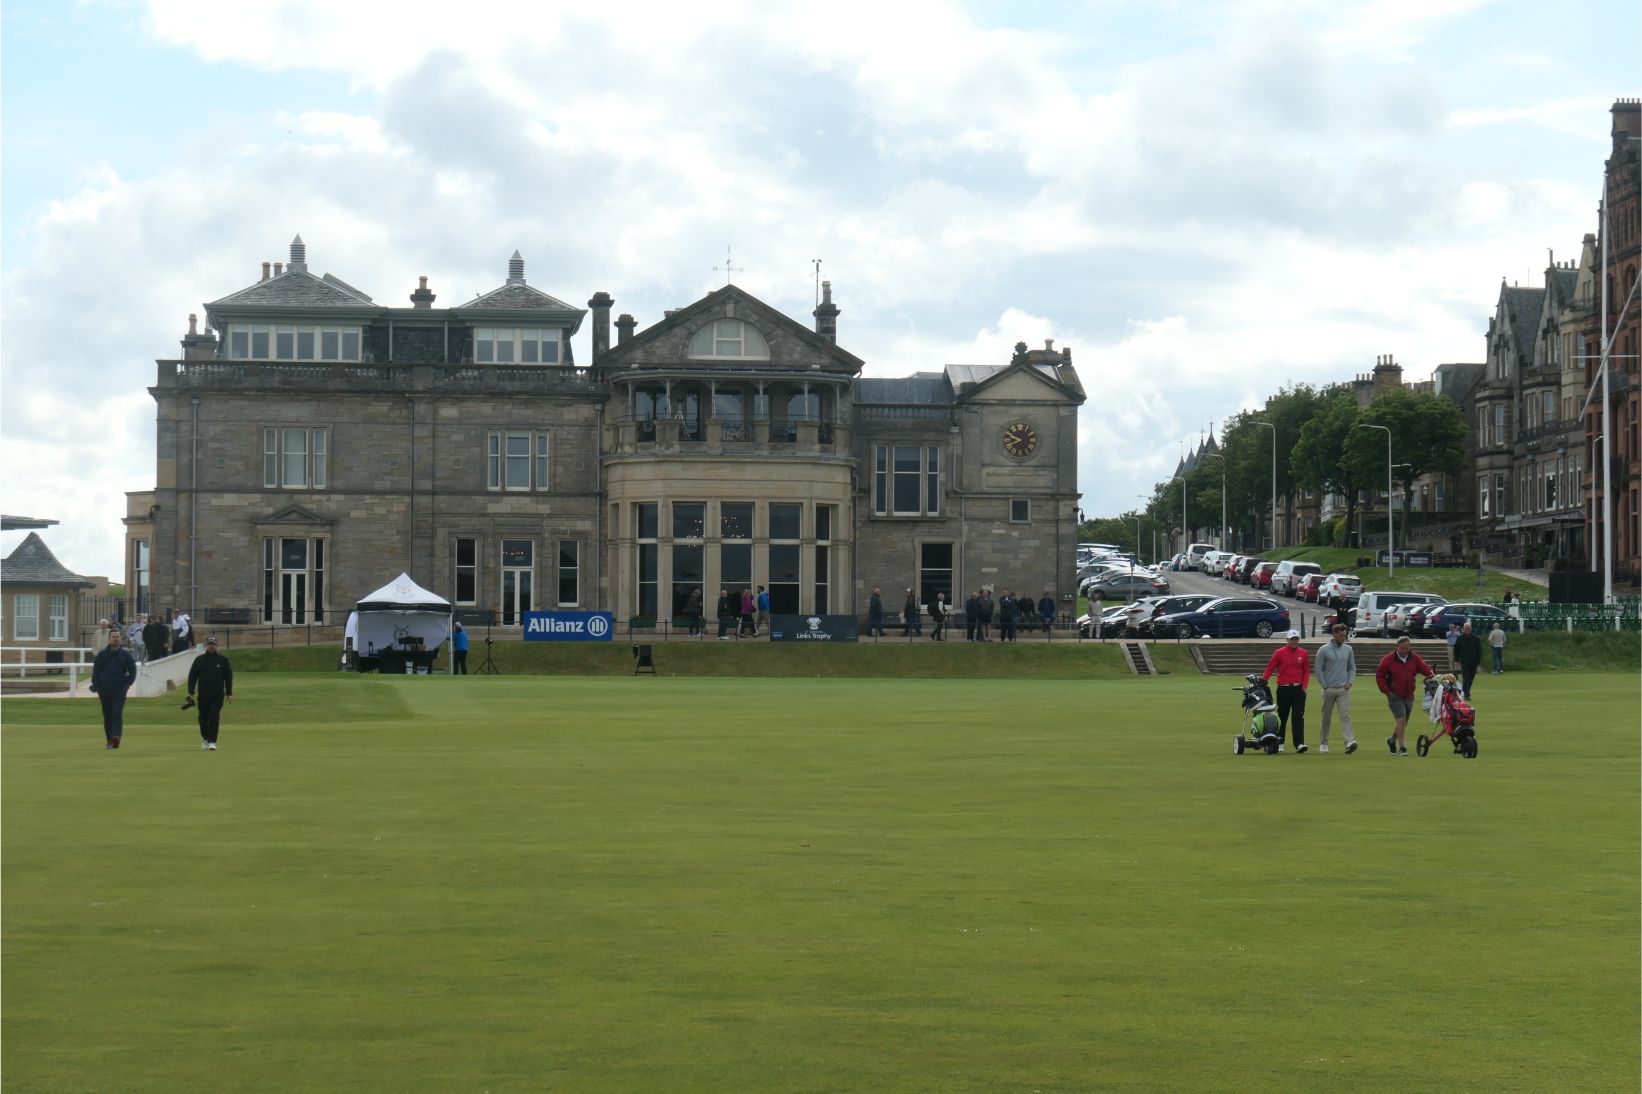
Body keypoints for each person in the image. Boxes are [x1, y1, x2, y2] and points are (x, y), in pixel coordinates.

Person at [1376, 635, 1435, 756]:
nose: (1404, 651)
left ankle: (1392, 740)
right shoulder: (1388, 659)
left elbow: (1424, 668)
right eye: (1402, 648)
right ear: (1397, 646)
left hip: (1409, 695)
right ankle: (1402, 747)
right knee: (1401, 719)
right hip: (1394, 695)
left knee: (1403, 722)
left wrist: (1433, 676)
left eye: (1407, 648)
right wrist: (1387, 691)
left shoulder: (1414, 657)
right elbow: (1380, 676)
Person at [1260, 628, 1312, 753]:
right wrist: (1264, 679)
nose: (1294, 641)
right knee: (1282, 716)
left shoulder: (1303, 653)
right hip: (1283, 689)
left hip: (1298, 689)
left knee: (1298, 716)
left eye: (1296, 639)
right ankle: (1280, 741)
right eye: (1292, 639)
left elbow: (1306, 671)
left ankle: (1299, 744)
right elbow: (1270, 667)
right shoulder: (1279, 653)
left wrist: (1304, 686)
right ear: (1287, 640)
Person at [90, 629, 138, 749]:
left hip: (119, 690)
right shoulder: (102, 655)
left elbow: (132, 671)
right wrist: (96, 685)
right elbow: (96, 672)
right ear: (109, 639)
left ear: (120, 639)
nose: (115, 639)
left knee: (116, 713)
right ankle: (109, 740)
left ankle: (116, 736)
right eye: (113, 637)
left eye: (117, 637)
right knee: (107, 715)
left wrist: (127, 684)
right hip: (104, 690)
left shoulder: (126, 655)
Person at [1314, 622, 1357, 754]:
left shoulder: (1348, 649)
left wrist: (1350, 682)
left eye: (1344, 635)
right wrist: (1325, 685)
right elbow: (1318, 668)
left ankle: (1349, 741)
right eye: (1340, 636)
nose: (1343, 638)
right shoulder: (1323, 649)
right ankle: (1323, 742)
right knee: (1326, 717)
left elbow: (1352, 668)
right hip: (1329, 689)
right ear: (1334, 634)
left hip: (1343, 689)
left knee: (1345, 715)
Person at [186, 635, 234, 750]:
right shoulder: (199, 660)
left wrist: (229, 693)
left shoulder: (223, 660)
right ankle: (206, 738)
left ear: (217, 646)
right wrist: (190, 692)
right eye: (209, 644)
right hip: (203, 695)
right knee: (202, 719)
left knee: (214, 718)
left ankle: (212, 742)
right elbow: (192, 677)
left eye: (213, 644)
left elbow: (228, 678)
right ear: (206, 645)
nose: (211, 646)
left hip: (217, 696)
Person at [1452, 621, 1483, 698]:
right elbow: (1456, 650)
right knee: (1466, 677)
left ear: (1471, 629)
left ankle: (1465, 691)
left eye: (1469, 628)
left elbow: (1479, 650)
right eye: (1466, 628)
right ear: (1463, 629)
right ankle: (1467, 694)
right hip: (1464, 661)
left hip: (1474, 662)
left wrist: (1478, 660)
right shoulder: (1460, 638)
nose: (1467, 630)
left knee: (1471, 678)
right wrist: (1456, 660)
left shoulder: (1476, 638)